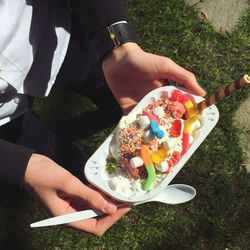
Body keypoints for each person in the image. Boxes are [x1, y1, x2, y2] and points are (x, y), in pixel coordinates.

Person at [0, 0, 206, 236]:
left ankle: (114, 122)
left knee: (119, 96)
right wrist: (21, 167)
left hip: (48, 34)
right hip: (5, 122)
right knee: (54, 157)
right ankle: (83, 170)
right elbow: (29, 164)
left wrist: (117, 44)